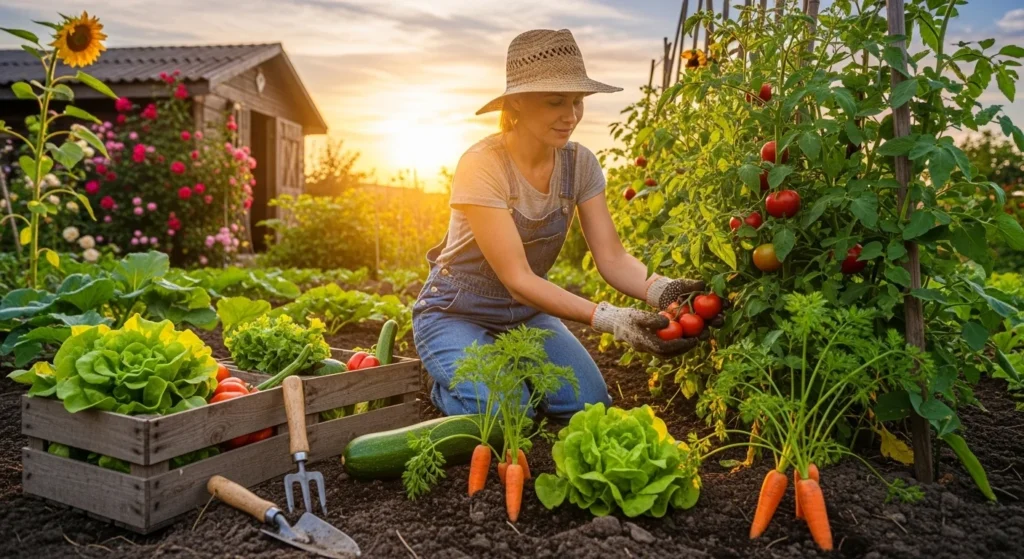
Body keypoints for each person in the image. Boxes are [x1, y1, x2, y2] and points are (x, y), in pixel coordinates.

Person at [412, 29, 723, 420]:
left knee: (589, 404)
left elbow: (612, 257)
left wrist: (665, 290)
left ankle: (505, 376)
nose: (571, 115)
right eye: (556, 102)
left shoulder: (580, 165)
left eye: (578, 102)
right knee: (507, 412)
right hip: (456, 311)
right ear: (518, 103)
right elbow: (518, 279)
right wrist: (610, 319)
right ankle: (439, 381)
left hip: (524, 316)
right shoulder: (482, 165)